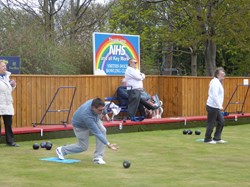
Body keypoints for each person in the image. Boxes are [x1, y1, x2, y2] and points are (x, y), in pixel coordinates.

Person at [56, 98, 118, 164]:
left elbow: (103, 107)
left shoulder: (97, 103)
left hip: (94, 118)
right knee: (83, 147)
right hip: (80, 125)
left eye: (102, 110)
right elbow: (97, 133)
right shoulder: (86, 115)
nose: (101, 112)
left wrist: (106, 115)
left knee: (103, 130)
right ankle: (62, 150)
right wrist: (108, 144)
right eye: (100, 110)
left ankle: (98, 157)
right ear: (93, 108)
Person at [204, 67, 227, 144]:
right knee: (211, 122)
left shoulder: (218, 82)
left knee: (221, 121)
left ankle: (217, 138)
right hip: (212, 106)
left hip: (216, 107)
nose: (224, 74)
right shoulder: (215, 82)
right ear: (217, 74)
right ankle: (207, 139)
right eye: (221, 73)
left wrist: (219, 106)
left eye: (224, 73)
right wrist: (219, 105)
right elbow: (214, 95)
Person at [0, 60, 19, 147]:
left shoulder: (7, 77)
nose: (5, 68)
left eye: (5, 66)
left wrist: (13, 85)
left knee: (8, 124)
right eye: (3, 66)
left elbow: (7, 90)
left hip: (7, 105)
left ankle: (10, 141)